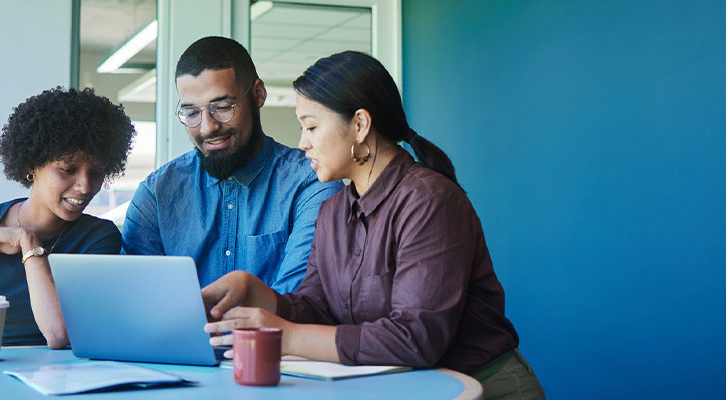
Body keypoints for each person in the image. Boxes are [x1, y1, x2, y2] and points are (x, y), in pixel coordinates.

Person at [200, 51, 545, 399]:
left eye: (312, 126)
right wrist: (260, 295)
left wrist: (286, 336)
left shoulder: (429, 200)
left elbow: (415, 338)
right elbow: (319, 309)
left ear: (360, 125)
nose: (302, 142)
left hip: (482, 388)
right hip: (407, 388)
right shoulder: (332, 212)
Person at [122, 36, 341, 293]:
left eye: (223, 107)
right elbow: (139, 301)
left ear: (258, 94)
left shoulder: (312, 182)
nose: (207, 127)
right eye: (192, 113)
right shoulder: (156, 194)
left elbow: (298, 300)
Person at [0, 87, 135, 350]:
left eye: (96, 172)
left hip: (65, 382)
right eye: (67, 169)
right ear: (32, 165)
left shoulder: (98, 239)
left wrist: (28, 244)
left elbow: (59, 335)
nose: (85, 186)